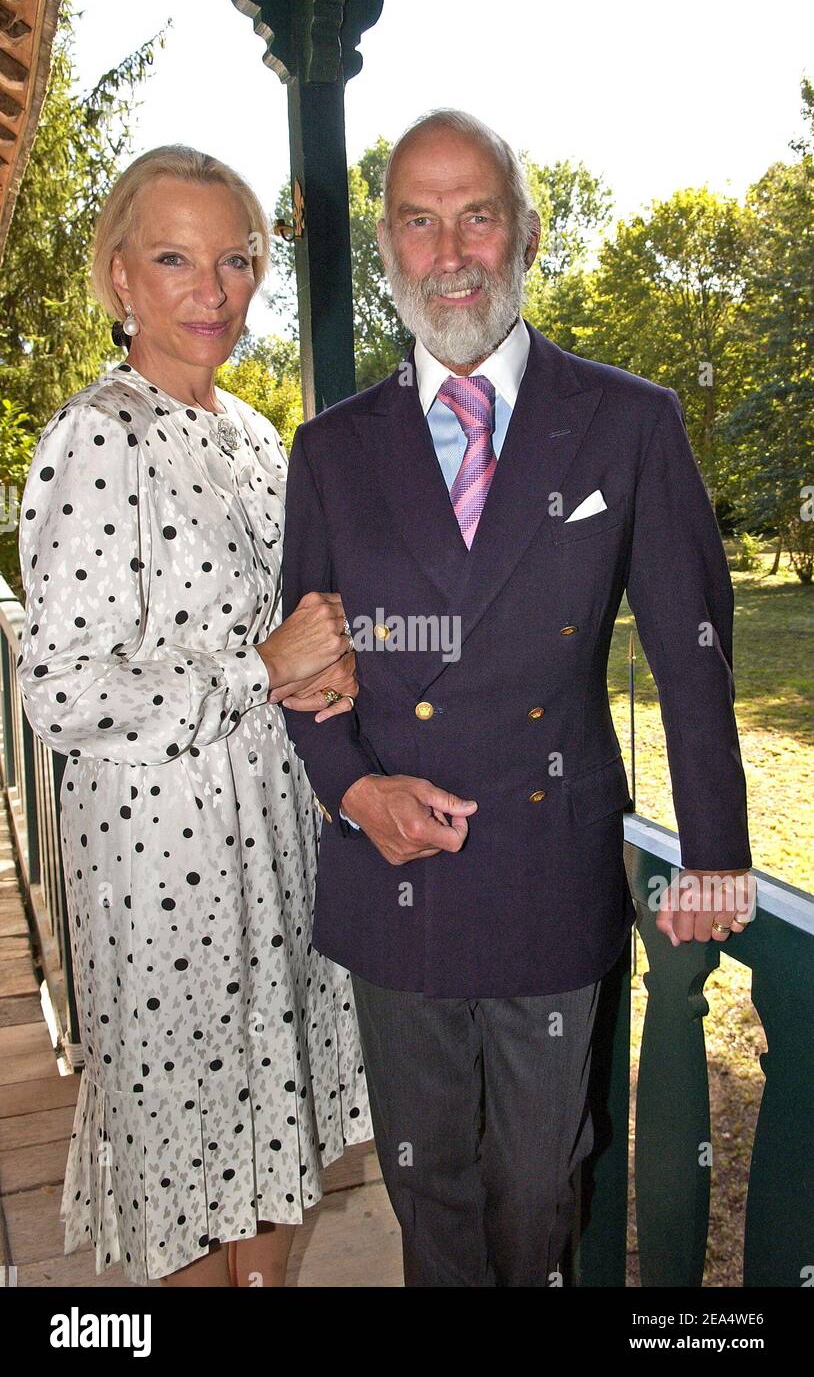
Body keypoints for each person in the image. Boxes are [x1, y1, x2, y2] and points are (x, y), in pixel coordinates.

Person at [280, 109, 753, 1287]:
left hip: (549, 863)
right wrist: (353, 793)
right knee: (424, 1176)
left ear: (526, 234)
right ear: (387, 247)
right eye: (418, 221)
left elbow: (693, 649)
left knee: (543, 1179)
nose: (449, 251)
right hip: (396, 873)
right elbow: (306, 669)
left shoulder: (629, 420)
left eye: (475, 215)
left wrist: (716, 851)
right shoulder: (331, 449)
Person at [17, 144, 372, 1287]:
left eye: (234, 260)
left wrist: (322, 669)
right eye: (175, 259)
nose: (212, 292)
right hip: (160, 862)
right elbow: (60, 689)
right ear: (119, 275)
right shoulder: (95, 436)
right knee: (188, 1150)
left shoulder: (253, 437)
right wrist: (260, 671)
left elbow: (275, 633)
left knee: (268, 1130)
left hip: (269, 836)